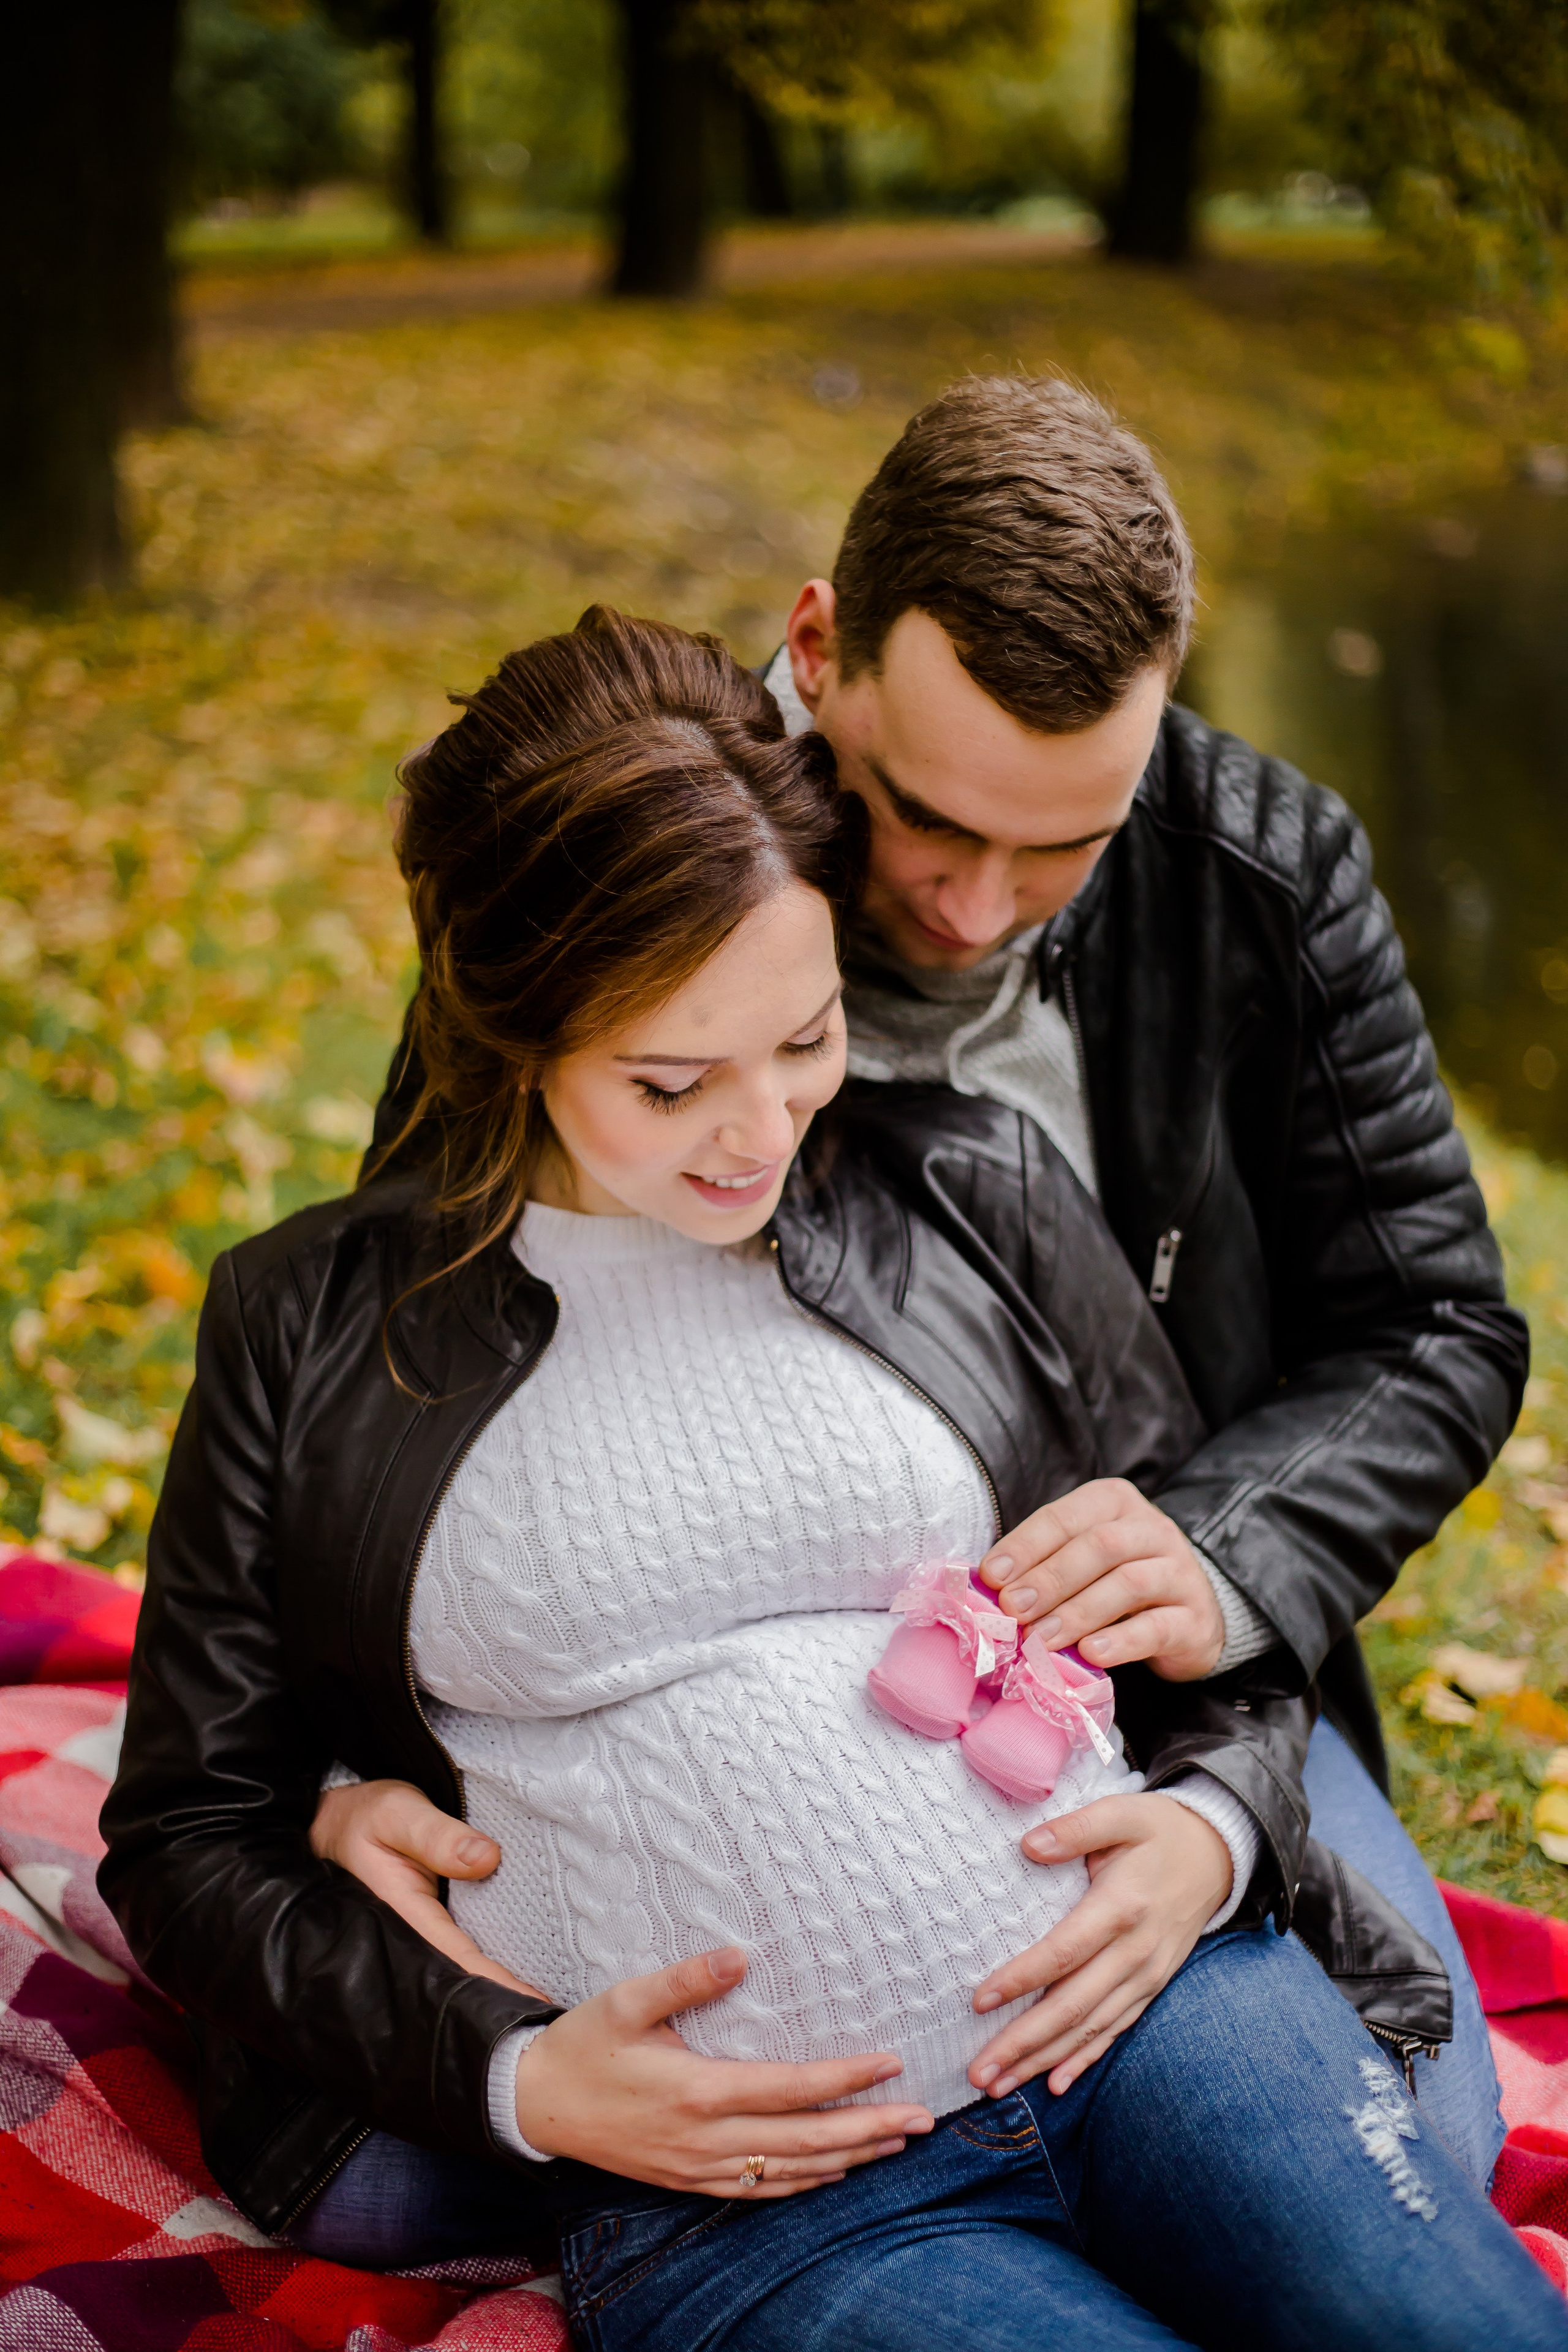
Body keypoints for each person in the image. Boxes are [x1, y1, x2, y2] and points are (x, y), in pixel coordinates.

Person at [99, 610, 1561, 2349]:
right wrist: (519, 2083)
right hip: (772, 2205)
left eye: (803, 1043)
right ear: (516, 1033)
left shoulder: (972, 1193)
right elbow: (188, 1832)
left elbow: (1201, 1607)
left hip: (1159, 2013)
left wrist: (1212, 1827)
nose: (759, 1132)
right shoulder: (309, 1322)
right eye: (670, 1077)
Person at [338, 375, 1526, 2191]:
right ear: (817, 646)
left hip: (1134, 1693)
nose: (975, 909)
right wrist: (338, 1769)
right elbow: (396, 1338)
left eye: (1065, 848)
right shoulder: (620, 845)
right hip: (662, 1693)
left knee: (1404, 2123)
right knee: (400, 2165)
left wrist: (1217, 1551)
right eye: (920, 820)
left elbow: (1436, 1320)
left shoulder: (1266, 873)